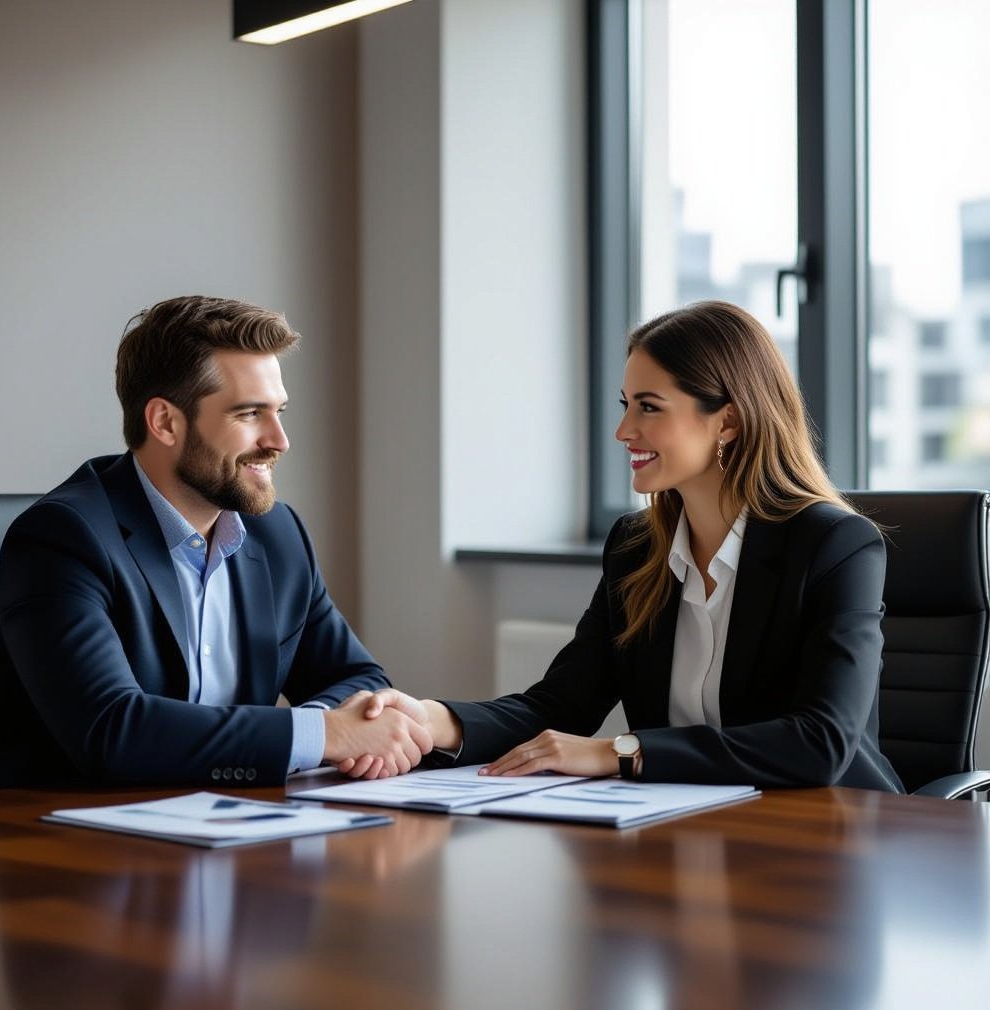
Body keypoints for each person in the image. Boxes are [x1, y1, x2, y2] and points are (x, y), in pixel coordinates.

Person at [362, 301, 904, 791]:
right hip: (694, 828)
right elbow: (560, 705)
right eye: (626, 404)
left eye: (649, 407)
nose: (623, 430)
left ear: (729, 422)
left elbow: (821, 742)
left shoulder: (834, 545)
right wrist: (432, 721)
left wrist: (620, 752)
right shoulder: (636, 548)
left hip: (830, 836)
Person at [0, 296, 431, 791]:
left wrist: (340, 727)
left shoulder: (277, 533)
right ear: (165, 422)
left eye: (279, 411)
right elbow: (112, 730)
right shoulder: (62, 538)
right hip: (62, 840)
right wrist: (322, 734)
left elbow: (359, 678)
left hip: (228, 826)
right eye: (250, 413)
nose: (279, 439)